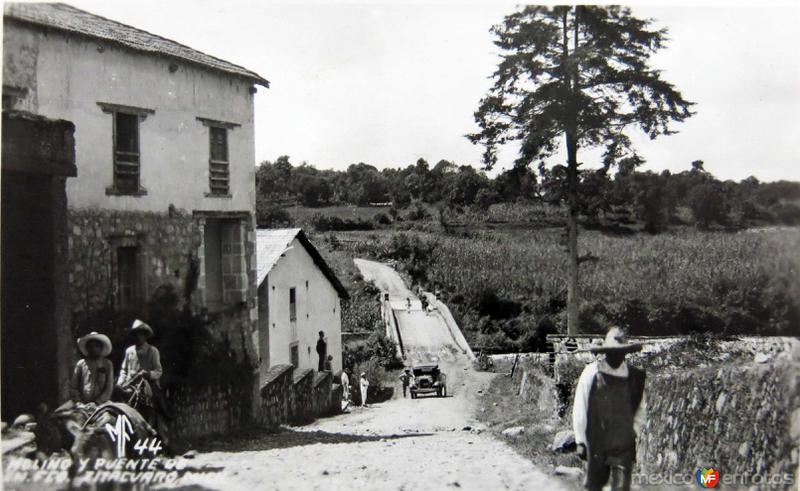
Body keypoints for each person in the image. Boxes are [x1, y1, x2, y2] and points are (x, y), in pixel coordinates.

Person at [573, 327, 646, 491]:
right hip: (597, 441)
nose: (616, 356)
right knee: (595, 485)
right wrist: (580, 440)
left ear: (626, 353)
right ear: (605, 352)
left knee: (621, 486)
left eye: (620, 353)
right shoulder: (592, 372)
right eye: (612, 352)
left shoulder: (635, 376)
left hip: (623, 443)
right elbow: (580, 405)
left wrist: (633, 432)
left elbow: (641, 408)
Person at [116, 319, 171, 448]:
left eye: (141, 334)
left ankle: (162, 439)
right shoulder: (129, 351)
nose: (138, 337)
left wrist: (148, 374)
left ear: (145, 335)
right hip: (130, 385)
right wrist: (121, 383)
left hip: (148, 384)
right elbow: (124, 370)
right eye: (135, 334)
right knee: (120, 405)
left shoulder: (153, 351)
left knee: (158, 406)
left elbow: (159, 371)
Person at [70, 332, 114, 405]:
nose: (93, 349)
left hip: (102, 403)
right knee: (60, 413)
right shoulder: (81, 363)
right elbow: (73, 386)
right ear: (87, 348)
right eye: (90, 346)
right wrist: (78, 401)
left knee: (111, 415)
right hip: (81, 403)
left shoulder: (107, 364)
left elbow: (109, 388)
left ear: (101, 348)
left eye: (96, 346)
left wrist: (97, 402)